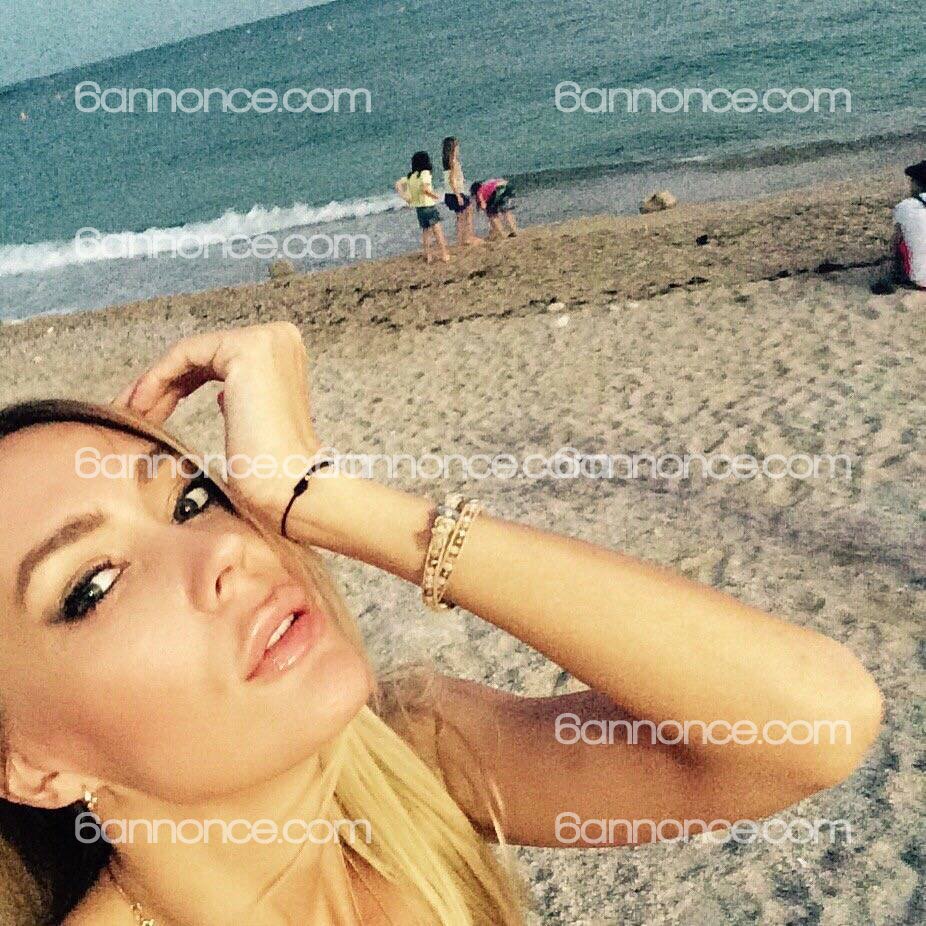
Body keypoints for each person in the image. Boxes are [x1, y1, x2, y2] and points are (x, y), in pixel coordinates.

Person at [0, 324, 883, 925]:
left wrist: (320, 496)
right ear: (32, 767)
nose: (225, 550)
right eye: (92, 585)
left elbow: (814, 723)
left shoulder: (411, 762)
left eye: (193, 500)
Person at [395, 151, 450, 264]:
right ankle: (444, 254)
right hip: (428, 206)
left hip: (419, 208)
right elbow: (425, 189)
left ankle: (428, 255)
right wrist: (435, 196)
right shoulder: (425, 173)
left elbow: (398, 184)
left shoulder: (411, 176)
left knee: (426, 232)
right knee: (437, 231)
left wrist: (406, 197)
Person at [441, 137, 482, 247]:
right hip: (455, 193)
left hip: (449, 194)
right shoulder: (454, 162)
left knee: (461, 216)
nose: (458, 148)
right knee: (467, 212)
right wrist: (458, 195)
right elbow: (452, 180)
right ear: (453, 148)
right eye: (457, 146)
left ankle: (461, 239)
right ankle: (468, 237)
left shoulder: (447, 162)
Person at [891, 159, 926, 289]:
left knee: (902, 240)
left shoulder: (905, 206)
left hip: (921, 279)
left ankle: (900, 274)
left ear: (917, 184)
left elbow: (895, 242)